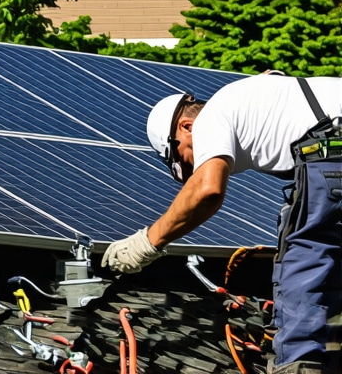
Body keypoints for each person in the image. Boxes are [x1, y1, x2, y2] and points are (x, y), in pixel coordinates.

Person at [101, 73, 342, 374]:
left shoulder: (213, 114)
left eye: (180, 160)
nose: (189, 170)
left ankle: (299, 364)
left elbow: (207, 190)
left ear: (186, 127)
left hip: (332, 158)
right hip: (332, 145)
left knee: (305, 258)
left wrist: (146, 243)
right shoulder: (256, 96)